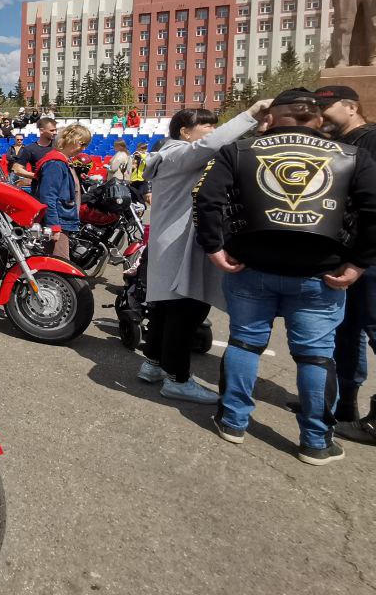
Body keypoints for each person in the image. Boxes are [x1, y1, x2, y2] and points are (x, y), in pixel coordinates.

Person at [195, 88, 376, 465]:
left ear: (271, 118)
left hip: (251, 266)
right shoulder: (353, 155)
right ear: (318, 118)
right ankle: (315, 441)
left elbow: (207, 199)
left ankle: (232, 421)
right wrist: (359, 263)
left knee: (244, 344)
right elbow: (373, 210)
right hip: (321, 273)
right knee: (314, 357)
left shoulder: (241, 150)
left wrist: (214, 248)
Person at [135, 102, 269, 403]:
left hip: (170, 243)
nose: (212, 130)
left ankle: (153, 364)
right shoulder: (178, 154)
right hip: (180, 244)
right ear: (185, 132)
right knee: (186, 312)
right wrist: (250, 114)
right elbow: (211, 144)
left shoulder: (170, 155)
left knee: (166, 310)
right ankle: (177, 379)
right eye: (207, 125)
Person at [316, 84, 376, 442]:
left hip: (368, 257)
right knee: (346, 330)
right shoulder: (346, 143)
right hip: (350, 254)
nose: (321, 115)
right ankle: (344, 405)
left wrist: (360, 260)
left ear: (352, 106)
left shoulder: (370, 140)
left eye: (328, 107)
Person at [33, 124, 91, 260]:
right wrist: (54, 226)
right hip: (57, 222)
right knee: (59, 267)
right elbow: (48, 197)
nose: (84, 149)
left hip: (62, 220)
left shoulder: (63, 161)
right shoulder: (55, 163)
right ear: (71, 139)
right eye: (82, 144)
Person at [10, 116, 56, 188]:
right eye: (52, 130)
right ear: (41, 131)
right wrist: (35, 175)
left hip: (59, 190)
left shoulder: (59, 147)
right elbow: (17, 169)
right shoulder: (30, 149)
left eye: (55, 130)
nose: (55, 133)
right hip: (40, 189)